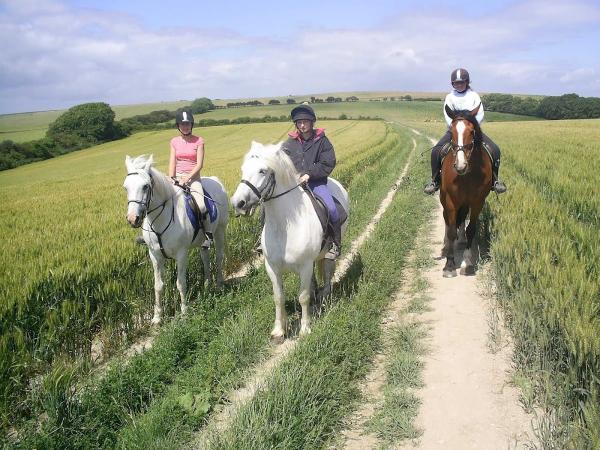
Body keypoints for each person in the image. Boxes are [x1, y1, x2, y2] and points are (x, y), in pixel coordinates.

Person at [424, 68, 507, 195]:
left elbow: (480, 113)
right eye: (456, 83)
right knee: (436, 151)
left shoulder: (474, 96)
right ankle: (434, 180)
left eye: (461, 82)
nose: (459, 85)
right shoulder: (450, 97)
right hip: (455, 131)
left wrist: (472, 127)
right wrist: (454, 128)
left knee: (495, 149)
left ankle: (495, 180)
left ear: (467, 82)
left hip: (471, 130)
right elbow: (447, 114)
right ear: (453, 84)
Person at [280, 104, 342, 259]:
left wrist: (309, 174)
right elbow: (280, 162)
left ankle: (335, 244)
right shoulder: (289, 143)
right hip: (293, 185)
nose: (302, 125)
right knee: (267, 206)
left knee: (332, 209)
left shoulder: (322, 140)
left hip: (316, 183)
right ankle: (262, 242)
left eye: (305, 122)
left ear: (312, 122)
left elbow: (328, 162)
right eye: (299, 122)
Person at [169, 109, 211, 248]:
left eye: (187, 124)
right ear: (178, 126)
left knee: (202, 205)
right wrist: (171, 178)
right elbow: (172, 161)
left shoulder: (199, 141)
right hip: (177, 178)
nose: (185, 127)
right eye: (182, 124)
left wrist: (186, 179)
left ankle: (207, 235)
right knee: (158, 198)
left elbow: (199, 164)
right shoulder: (174, 141)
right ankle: (151, 235)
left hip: (193, 179)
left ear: (191, 125)